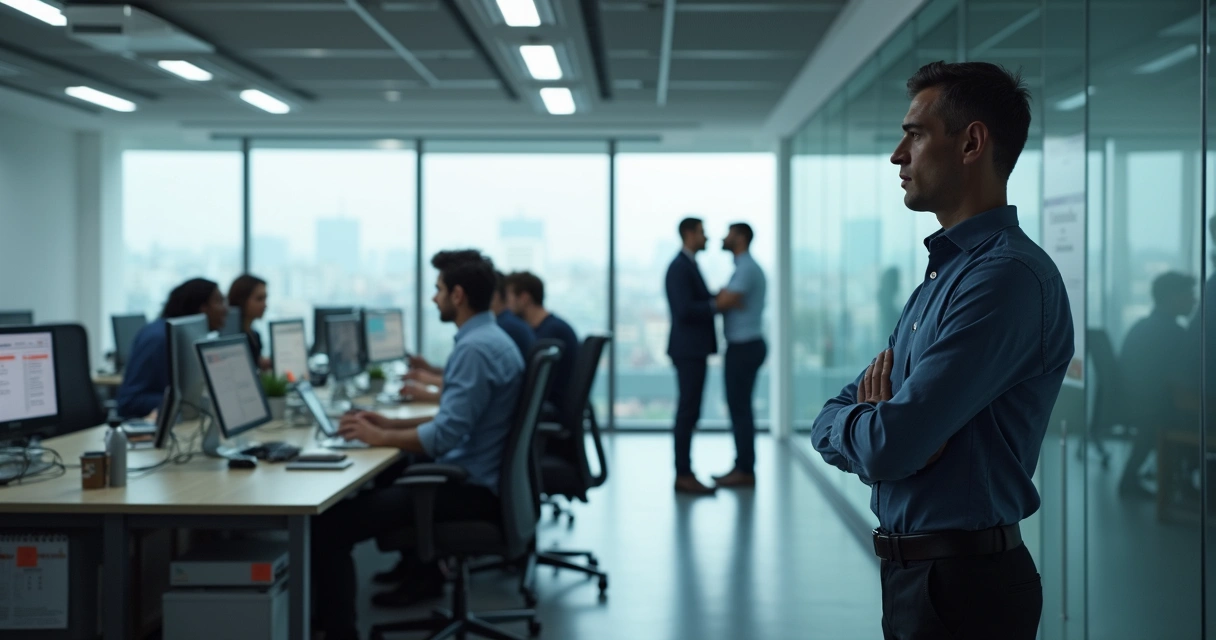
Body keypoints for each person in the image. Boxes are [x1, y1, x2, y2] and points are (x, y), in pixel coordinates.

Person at [810, 61, 1073, 640]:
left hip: (966, 589)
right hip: (918, 577)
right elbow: (835, 415)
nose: (898, 155)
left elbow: (889, 445)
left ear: (971, 142)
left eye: (916, 133)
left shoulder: (1004, 280)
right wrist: (874, 421)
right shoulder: (943, 279)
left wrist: (885, 430)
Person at [311, 250, 524, 639]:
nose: (434, 298)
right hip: (483, 481)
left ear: (457, 295)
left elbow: (444, 436)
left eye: (438, 289)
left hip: (469, 490)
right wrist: (390, 423)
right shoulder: (492, 340)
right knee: (388, 474)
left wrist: (382, 437)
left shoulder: (474, 350)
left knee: (328, 528)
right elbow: (455, 419)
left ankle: (338, 633)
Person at [665, 217, 737, 495]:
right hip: (688, 350)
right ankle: (683, 474)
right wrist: (715, 305)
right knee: (687, 412)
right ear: (689, 234)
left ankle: (685, 472)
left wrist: (712, 298)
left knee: (690, 411)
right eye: (702, 233)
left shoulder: (688, 265)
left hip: (692, 350)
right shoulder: (679, 267)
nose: (706, 237)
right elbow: (684, 310)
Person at [1120, 271, 1195, 498]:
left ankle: (1178, 479)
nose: (1194, 300)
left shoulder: (1142, 326)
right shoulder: (1174, 333)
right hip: (1157, 409)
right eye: (1189, 294)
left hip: (1140, 405)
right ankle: (1186, 483)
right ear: (1172, 297)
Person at [404, 270, 534, 399]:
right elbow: (471, 379)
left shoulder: (486, 339)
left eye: (439, 290)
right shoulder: (498, 329)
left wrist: (389, 421)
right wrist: (431, 370)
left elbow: (469, 393)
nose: (434, 298)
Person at [115, 278, 228, 418]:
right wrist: (183, 402)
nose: (225, 309)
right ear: (202, 307)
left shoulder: (186, 338)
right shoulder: (158, 338)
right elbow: (129, 402)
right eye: (218, 302)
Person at [712, 223, 767, 489]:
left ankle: (745, 470)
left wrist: (726, 299)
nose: (724, 237)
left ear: (741, 237)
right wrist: (727, 298)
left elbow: (722, 303)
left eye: (729, 233)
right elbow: (726, 300)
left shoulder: (746, 268)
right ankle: (742, 467)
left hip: (744, 347)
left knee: (740, 410)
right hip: (744, 345)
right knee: (739, 409)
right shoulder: (742, 268)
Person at [504, 270, 579, 411]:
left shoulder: (552, 332)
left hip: (552, 405)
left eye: (509, 297)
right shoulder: (548, 327)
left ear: (524, 298)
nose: (507, 305)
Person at [227, 274, 271, 371]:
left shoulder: (254, 334)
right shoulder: (232, 339)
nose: (265, 305)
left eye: (265, 299)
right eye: (259, 299)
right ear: (242, 300)